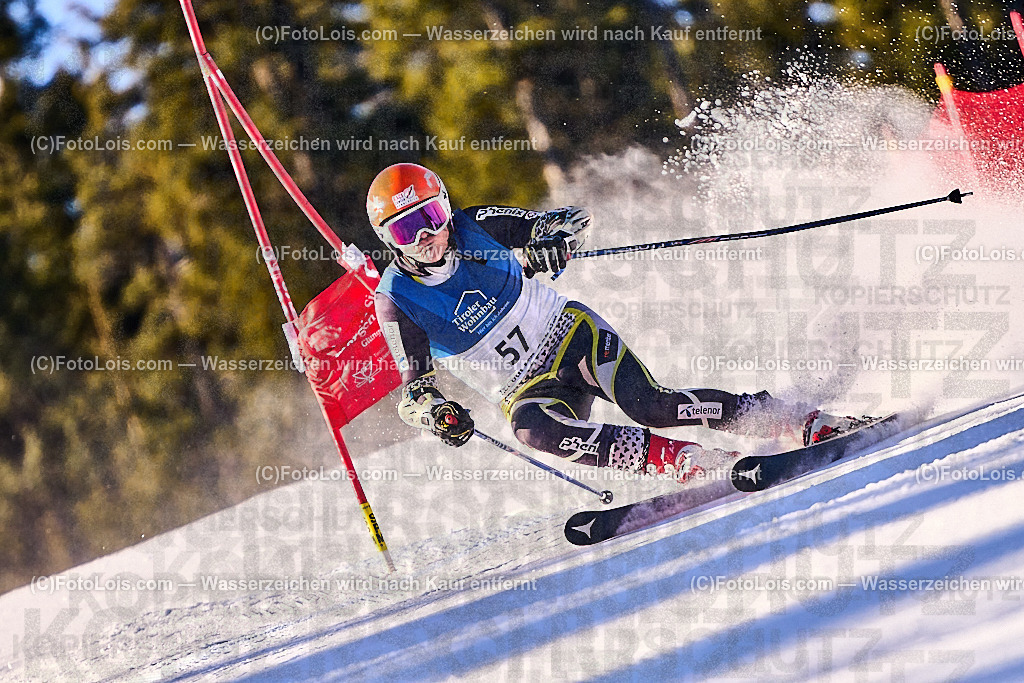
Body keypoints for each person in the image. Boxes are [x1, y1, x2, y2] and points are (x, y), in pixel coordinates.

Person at [368, 162, 869, 482]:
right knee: (534, 433)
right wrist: (437, 413)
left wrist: (551, 242)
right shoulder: (396, 298)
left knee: (651, 404)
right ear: (390, 239)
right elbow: (414, 393)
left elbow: (569, 220)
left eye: (432, 215)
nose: (429, 234)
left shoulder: (474, 225)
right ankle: (682, 461)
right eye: (409, 228)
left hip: (569, 337)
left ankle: (799, 420)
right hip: (524, 387)